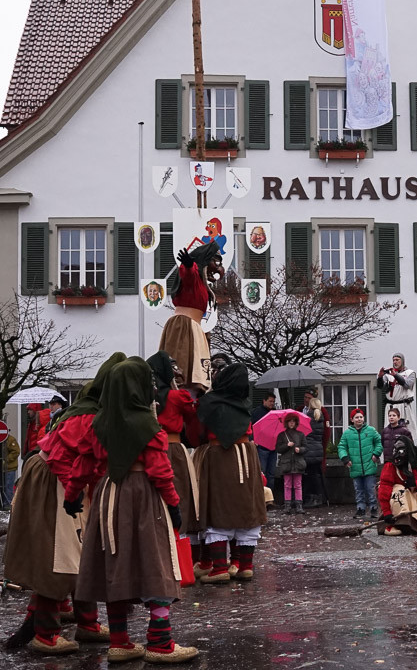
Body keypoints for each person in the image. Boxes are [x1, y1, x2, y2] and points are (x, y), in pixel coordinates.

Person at [75, 357, 198, 663]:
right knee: (155, 562)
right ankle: (160, 642)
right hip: (143, 496)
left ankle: (119, 641)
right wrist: (173, 504)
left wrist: (74, 494)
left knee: (116, 564)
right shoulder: (148, 426)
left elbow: (84, 463)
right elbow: (160, 471)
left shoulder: (98, 423)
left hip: (108, 496)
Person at [5, 353, 126, 655]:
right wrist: (76, 495)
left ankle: (87, 622)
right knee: (61, 556)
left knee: (83, 551)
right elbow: (63, 459)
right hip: (56, 482)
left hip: (67, 482)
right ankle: (45, 633)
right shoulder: (88, 417)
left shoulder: (94, 412)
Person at [193, 363, 267, 582]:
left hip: (220, 454)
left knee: (219, 506)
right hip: (246, 454)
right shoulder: (244, 402)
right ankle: (245, 566)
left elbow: (198, 433)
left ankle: (218, 569)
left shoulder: (209, 402)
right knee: (246, 506)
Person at [147, 352, 200, 539]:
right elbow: (192, 416)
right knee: (179, 494)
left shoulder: (144, 397)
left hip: (149, 450)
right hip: (173, 449)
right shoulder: (177, 396)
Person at [159, 245, 224, 393]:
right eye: (216, 262)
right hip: (184, 326)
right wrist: (189, 266)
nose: (219, 267)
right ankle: (180, 391)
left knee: (197, 370)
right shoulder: (195, 279)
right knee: (181, 363)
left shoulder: (201, 284)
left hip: (194, 327)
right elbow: (189, 276)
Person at [377, 434, 417, 535]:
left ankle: (415, 524)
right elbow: (384, 489)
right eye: (395, 451)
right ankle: (396, 524)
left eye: (400, 451)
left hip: (413, 495)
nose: (396, 455)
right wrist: (387, 512)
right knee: (399, 489)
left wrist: (415, 483)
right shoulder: (390, 466)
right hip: (394, 498)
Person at [338, 408, 383, 519]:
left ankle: (373, 508)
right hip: (354, 466)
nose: (359, 419)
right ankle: (360, 508)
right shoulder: (347, 433)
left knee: (370, 489)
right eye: (356, 417)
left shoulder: (371, 430)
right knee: (358, 490)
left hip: (369, 465)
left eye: (361, 417)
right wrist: (345, 458)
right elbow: (341, 447)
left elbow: (379, 442)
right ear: (352, 419)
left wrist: (376, 454)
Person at [377, 353, 417, 437]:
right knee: (390, 431)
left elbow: (407, 385)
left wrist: (396, 375)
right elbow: (381, 387)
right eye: (393, 360)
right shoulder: (388, 375)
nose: (395, 362)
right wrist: (380, 377)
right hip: (391, 406)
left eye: (397, 360)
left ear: (402, 361)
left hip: (404, 406)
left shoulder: (410, 373)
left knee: (406, 430)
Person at [275, 412, 308, 514]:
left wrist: (300, 450)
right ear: (286, 423)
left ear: (296, 423)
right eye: (290, 421)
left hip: (298, 463)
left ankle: (299, 506)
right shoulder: (281, 435)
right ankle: (287, 506)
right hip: (286, 464)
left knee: (298, 485)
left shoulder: (301, 435)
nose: (291, 423)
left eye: (293, 421)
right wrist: (287, 446)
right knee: (287, 485)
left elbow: (306, 447)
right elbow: (278, 449)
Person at [301, 390, 328, 508]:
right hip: (317, 449)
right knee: (316, 474)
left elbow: (305, 433)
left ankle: (314, 497)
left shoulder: (310, 417)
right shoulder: (320, 417)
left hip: (309, 450)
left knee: (310, 475)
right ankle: (319, 497)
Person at [252, 393, 278, 494]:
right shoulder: (257, 412)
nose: (272, 404)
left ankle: (270, 496)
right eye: (270, 401)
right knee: (262, 473)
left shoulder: (274, 412)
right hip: (262, 446)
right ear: (264, 401)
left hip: (272, 446)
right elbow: (251, 426)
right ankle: (262, 496)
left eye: (273, 402)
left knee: (271, 474)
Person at [3, 430, 21, 508]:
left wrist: (6, 460)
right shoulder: (3, 441)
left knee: (8, 486)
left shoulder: (10, 440)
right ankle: (5, 503)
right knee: (5, 486)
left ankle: (8, 503)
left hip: (10, 467)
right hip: (4, 468)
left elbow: (16, 451)